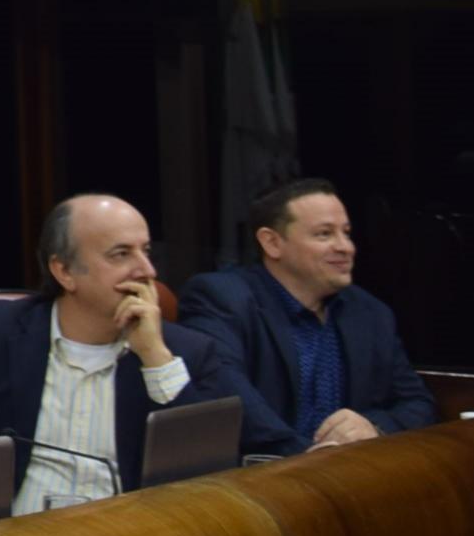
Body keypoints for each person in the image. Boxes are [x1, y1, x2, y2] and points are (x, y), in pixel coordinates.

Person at [0, 193, 283, 509]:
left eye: (146, 251)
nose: (146, 270)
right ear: (64, 271)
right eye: (121, 254)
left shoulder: (186, 351)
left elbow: (216, 475)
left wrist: (155, 358)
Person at [178, 178, 436, 452]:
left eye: (346, 233)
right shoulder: (222, 298)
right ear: (272, 243)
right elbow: (229, 402)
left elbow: (418, 404)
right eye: (324, 234)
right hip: (261, 480)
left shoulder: (370, 312)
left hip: (353, 474)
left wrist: (374, 426)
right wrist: (309, 459)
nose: (345, 247)